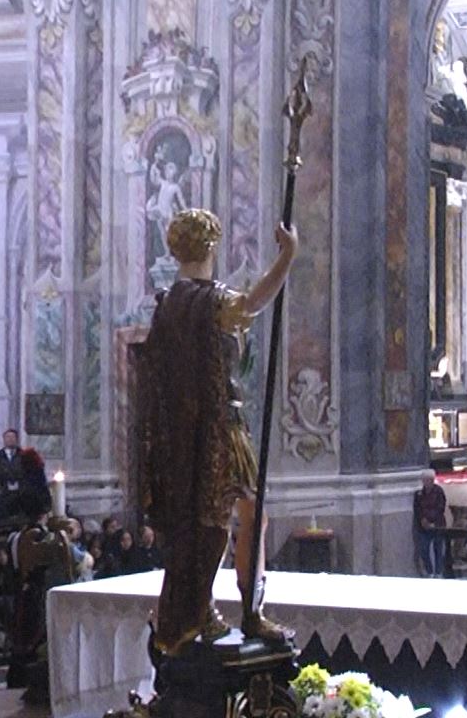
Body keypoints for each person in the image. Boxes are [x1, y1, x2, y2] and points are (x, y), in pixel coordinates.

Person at [132, 209, 295, 653]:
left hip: (189, 431)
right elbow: (252, 304)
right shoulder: (207, 300)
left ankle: (211, 607)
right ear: (211, 247)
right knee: (231, 517)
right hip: (220, 426)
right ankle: (241, 610)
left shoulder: (169, 303)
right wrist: (287, 257)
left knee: (218, 516)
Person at [412, 469, 449, 577]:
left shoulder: (439, 492)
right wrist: (423, 520)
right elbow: (417, 509)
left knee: (438, 549)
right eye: (425, 480)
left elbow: (440, 507)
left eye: (429, 480)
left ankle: (438, 572)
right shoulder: (418, 494)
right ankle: (429, 571)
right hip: (423, 526)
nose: (427, 482)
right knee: (424, 549)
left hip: (437, 524)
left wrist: (431, 520)